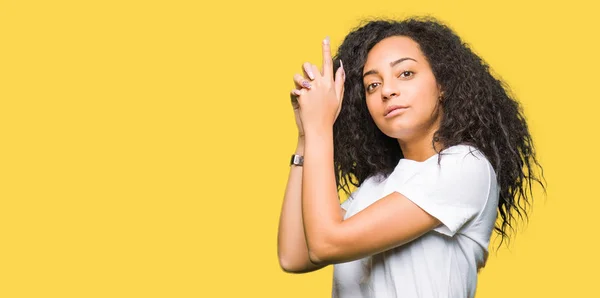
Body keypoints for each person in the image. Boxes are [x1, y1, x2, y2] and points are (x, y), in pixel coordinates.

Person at [277, 16, 545, 298]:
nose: (388, 91)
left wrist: (321, 126)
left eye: (405, 73)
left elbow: (326, 244)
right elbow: (294, 255)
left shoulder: (465, 166)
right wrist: (306, 136)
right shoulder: (376, 187)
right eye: (373, 85)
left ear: (442, 84)